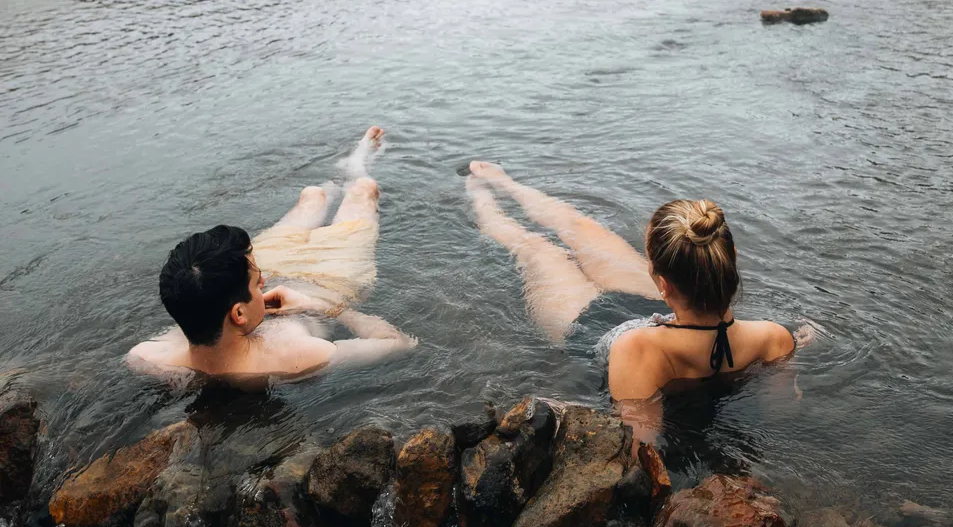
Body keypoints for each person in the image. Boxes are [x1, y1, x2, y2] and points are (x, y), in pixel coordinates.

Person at [466, 161, 801, 440]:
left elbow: (638, 453)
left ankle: (478, 194)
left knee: (535, 247)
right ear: (731, 258)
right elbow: (782, 414)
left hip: (590, 326)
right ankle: (505, 184)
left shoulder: (637, 352)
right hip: (655, 310)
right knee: (577, 227)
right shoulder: (775, 338)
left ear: (663, 283)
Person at [127, 127, 417, 382]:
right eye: (258, 283)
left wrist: (249, 277)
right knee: (365, 190)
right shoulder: (295, 357)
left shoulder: (148, 357)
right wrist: (318, 305)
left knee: (312, 195)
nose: (265, 284)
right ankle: (357, 163)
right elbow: (401, 343)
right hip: (330, 279)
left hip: (266, 260)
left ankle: (344, 169)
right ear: (238, 313)